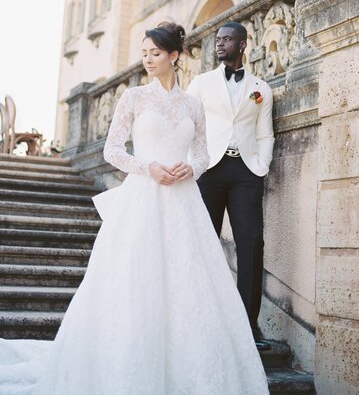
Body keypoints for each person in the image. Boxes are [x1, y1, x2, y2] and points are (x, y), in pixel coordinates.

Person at [0, 22, 269, 395]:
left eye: (155, 53)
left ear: (174, 56)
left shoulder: (193, 103)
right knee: (134, 281)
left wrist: (193, 167)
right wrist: (148, 167)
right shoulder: (134, 98)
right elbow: (113, 150)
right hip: (143, 197)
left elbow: (204, 151)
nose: (148, 59)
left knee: (189, 283)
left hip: (183, 199)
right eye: (144, 53)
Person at [187, 21, 274, 348]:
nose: (220, 44)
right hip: (208, 170)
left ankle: (247, 325)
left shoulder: (260, 88)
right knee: (202, 244)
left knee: (251, 245)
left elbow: (266, 133)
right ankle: (201, 319)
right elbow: (188, 125)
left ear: (242, 44)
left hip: (245, 173)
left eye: (227, 39)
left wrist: (260, 168)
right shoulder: (201, 83)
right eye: (218, 39)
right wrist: (191, 166)